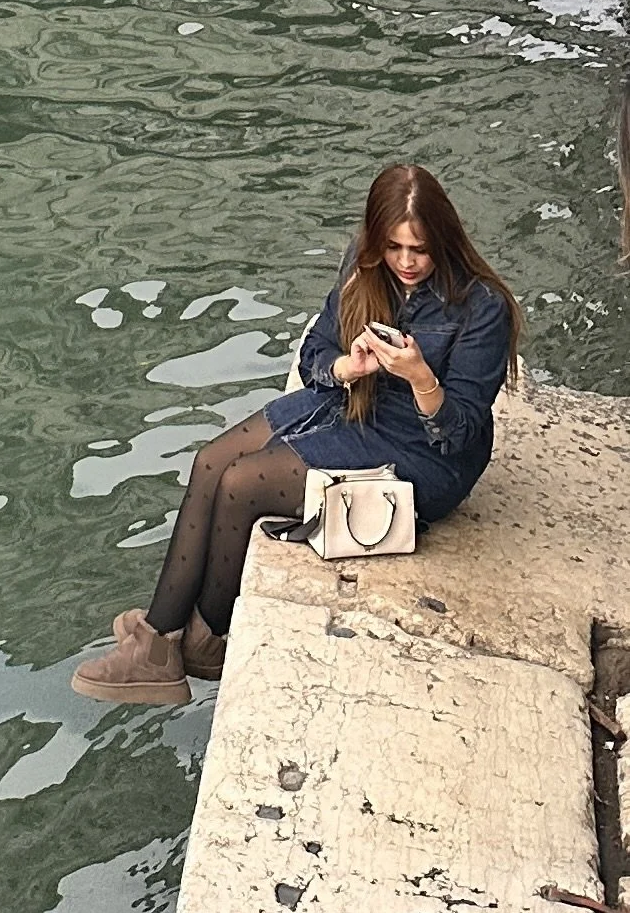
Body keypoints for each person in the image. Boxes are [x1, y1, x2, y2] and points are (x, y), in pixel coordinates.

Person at [72, 162, 519, 706]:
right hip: (351, 401)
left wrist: (420, 375)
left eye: (419, 251)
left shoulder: (482, 307)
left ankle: (201, 639)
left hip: (424, 452)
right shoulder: (363, 268)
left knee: (242, 484)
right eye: (394, 247)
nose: (405, 262)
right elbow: (315, 354)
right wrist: (346, 369)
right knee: (211, 461)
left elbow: (461, 434)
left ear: (443, 242)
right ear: (377, 240)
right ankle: (161, 641)